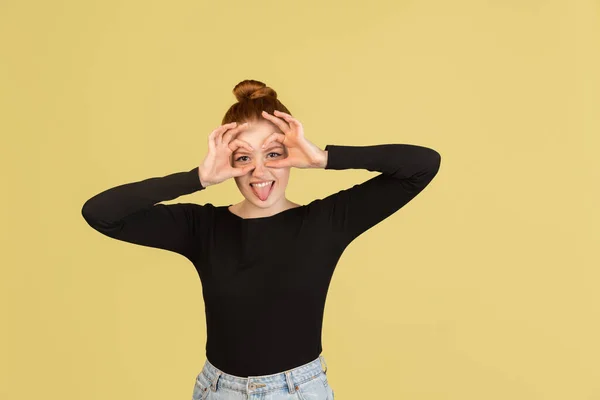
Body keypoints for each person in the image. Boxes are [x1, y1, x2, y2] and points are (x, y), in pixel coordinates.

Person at [81, 79, 442, 400]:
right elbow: (101, 212)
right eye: (243, 157)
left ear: (291, 155)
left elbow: (422, 164)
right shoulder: (201, 227)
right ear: (228, 162)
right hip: (217, 390)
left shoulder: (327, 221)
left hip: (298, 391)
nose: (260, 171)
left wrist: (324, 158)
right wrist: (198, 178)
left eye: (273, 154)